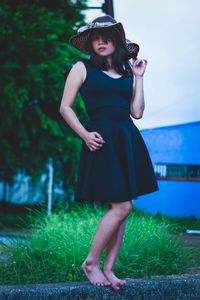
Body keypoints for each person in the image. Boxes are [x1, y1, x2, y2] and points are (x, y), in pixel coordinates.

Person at [60, 14, 159, 291]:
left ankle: (109, 268)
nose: (101, 41)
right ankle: (91, 262)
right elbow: (65, 107)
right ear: (90, 43)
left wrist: (139, 78)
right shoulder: (81, 68)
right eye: (95, 37)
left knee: (121, 208)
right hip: (100, 139)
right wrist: (83, 134)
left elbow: (137, 112)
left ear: (116, 42)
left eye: (107, 37)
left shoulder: (127, 72)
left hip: (126, 139)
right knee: (122, 206)